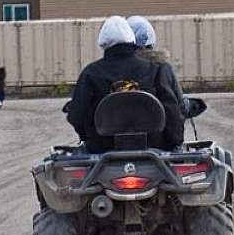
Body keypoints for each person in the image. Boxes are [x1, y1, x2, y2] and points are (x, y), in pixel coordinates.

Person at [65, 16, 186, 153]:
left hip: (102, 153)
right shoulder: (156, 69)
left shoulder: (91, 74)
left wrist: (90, 140)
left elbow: (77, 116)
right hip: (154, 149)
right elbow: (172, 111)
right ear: (132, 39)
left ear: (103, 42)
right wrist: (174, 143)